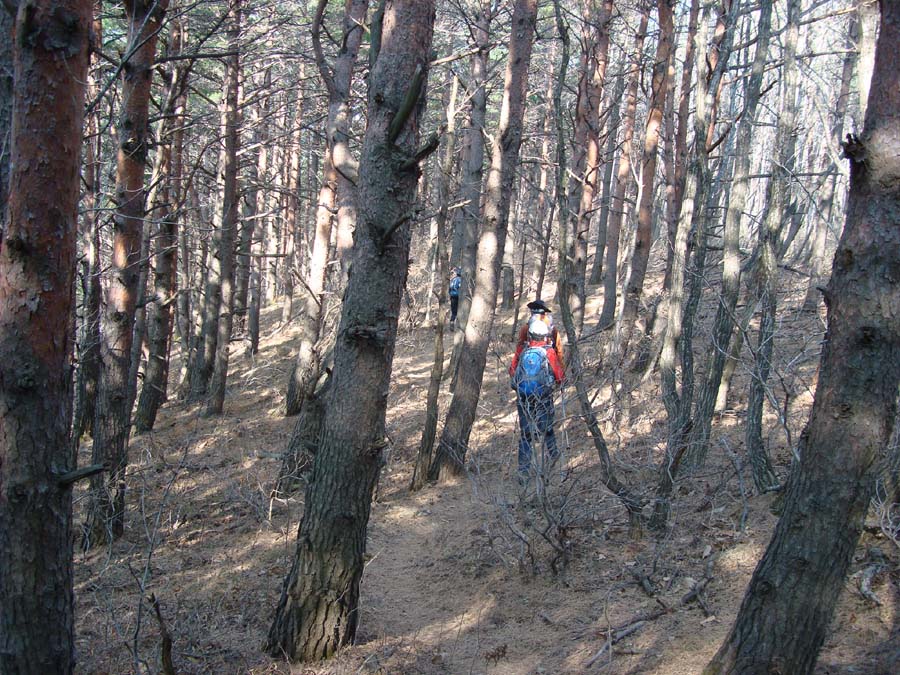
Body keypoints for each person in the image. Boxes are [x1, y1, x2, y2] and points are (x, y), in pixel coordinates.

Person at [509, 314, 564, 483]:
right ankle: (553, 455)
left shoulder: (524, 351)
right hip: (543, 395)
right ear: (545, 336)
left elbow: (512, 372)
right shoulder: (549, 352)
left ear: (531, 335)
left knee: (526, 434)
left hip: (524, 396)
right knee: (546, 427)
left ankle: (523, 471)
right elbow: (559, 376)